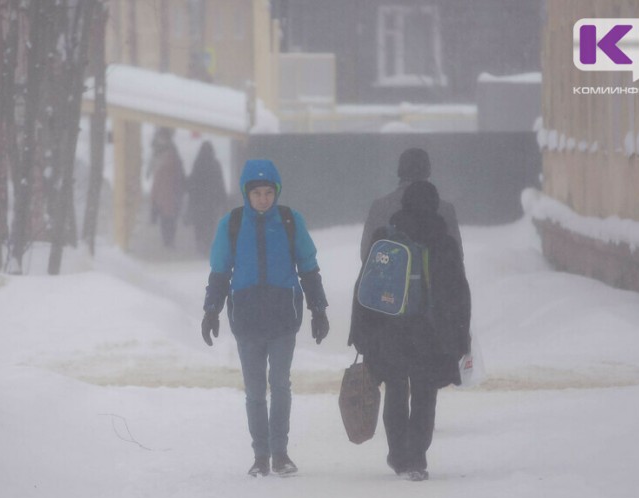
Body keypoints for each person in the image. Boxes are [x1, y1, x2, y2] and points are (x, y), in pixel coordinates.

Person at [201, 159, 330, 477]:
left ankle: (280, 453)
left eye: (268, 192)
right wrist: (211, 310)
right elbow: (220, 270)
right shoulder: (232, 223)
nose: (263, 199)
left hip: (283, 317)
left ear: (277, 192)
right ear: (247, 193)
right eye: (257, 193)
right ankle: (260, 455)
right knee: (255, 391)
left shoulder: (290, 221)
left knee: (280, 385)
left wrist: (318, 309)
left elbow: (308, 266)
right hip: (247, 319)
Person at [349, 180, 471, 481]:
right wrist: (460, 335)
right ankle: (416, 458)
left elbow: (365, 286)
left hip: (391, 329)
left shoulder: (387, 237)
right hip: (430, 332)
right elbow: (459, 293)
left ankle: (398, 455)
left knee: (396, 389)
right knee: (425, 395)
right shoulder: (443, 242)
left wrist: (360, 331)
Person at [360, 147, 463, 262]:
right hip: (436, 273)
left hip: (392, 272)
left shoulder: (380, 206)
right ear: (428, 171)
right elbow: (457, 257)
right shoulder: (445, 209)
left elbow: (366, 254)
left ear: (400, 171)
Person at [186, 141, 227, 255]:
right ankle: (207, 244)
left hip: (199, 201)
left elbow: (192, 183)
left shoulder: (198, 163)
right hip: (212, 202)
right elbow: (220, 184)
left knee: (199, 224)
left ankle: (200, 244)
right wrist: (223, 202)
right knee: (210, 224)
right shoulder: (215, 164)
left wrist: (192, 198)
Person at [148, 128, 186, 248]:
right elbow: (180, 176)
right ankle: (169, 240)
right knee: (170, 219)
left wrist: (154, 199)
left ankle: (167, 240)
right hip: (171, 195)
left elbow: (157, 183)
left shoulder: (162, 163)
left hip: (165, 196)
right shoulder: (173, 158)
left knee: (166, 219)